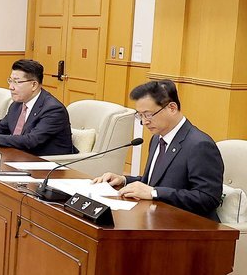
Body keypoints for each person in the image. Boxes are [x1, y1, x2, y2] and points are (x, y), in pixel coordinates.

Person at [93, 80, 223, 221]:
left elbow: (208, 198)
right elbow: (153, 183)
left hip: (189, 225)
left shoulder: (199, 145)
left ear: (172, 108)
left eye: (148, 114)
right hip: (157, 218)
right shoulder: (157, 138)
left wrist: (154, 193)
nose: (144, 122)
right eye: (140, 115)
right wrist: (124, 180)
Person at [0, 59, 76, 156]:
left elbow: (31, 140)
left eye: (16, 82)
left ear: (34, 85)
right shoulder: (17, 104)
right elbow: (0, 128)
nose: (11, 87)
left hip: (47, 165)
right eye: (10, 81)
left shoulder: (53, 109)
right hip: (18, 157)